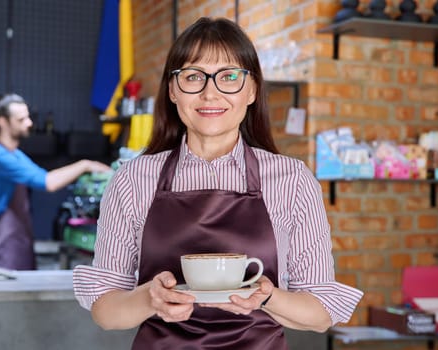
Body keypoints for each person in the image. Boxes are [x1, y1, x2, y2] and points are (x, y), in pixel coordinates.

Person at [73, 17, 363, 349]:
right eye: (193, 77)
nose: (210, 93)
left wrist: (266, 297)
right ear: (172, 90)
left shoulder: (292, 180)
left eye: (229, 77)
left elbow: (321, 312)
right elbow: (106, 313)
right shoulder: (132, 180)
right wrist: (149, 299)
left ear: (252, 90)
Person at [0, 93, 111, 270]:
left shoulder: (16, 155)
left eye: (28, 117)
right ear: (2, 122)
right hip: (7, 240)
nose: (29, 123)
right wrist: (85, 165)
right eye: (21, 119)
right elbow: (47, 182)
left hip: (21, 237)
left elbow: (44, 175)